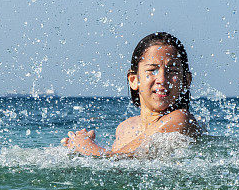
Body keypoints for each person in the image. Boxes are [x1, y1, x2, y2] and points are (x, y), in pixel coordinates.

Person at [62, 32, 201, 156]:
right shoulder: (125, 127)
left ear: (186, 81)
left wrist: (85, 146)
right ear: (134, 80)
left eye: (172, 71)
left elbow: (115, 161)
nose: (162, 79)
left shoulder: (180, 120)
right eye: (152, 70)